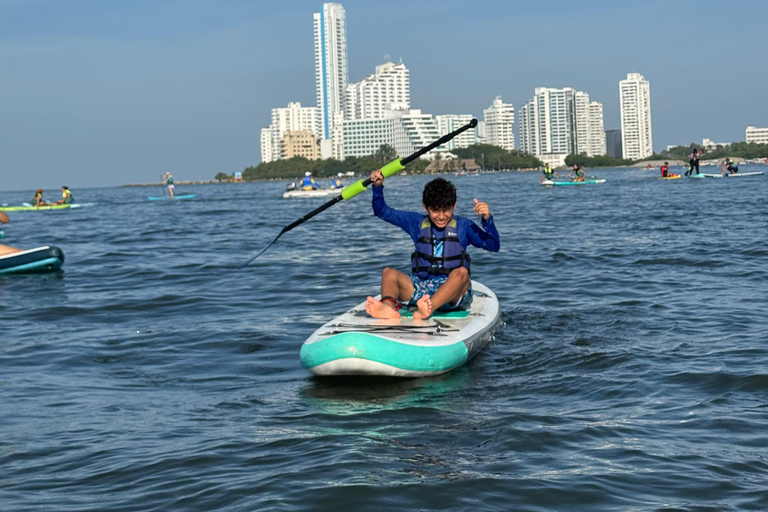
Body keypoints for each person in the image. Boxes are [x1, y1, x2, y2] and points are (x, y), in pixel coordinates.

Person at [364, 172, 500, 321]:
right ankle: (388, 308)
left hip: (454, 295)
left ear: (454, 205)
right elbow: (382, 211)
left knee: (461, 273)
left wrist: (487, 218)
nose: (441, 216)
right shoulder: (416, 222)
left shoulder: (464, 225)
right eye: (435, 210)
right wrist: (377, 186)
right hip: (423, 288)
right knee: (388, 273)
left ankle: (428, 309)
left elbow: (493, 245)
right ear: (425, 207)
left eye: (446, 210)